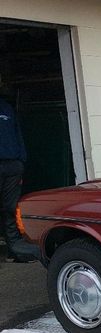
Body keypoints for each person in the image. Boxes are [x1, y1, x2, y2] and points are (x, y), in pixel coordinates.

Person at [0, 71, 31, 262]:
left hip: (12, 166)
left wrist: (21, 160)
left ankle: (16, 250)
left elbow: (18, 135)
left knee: (10, 208)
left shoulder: (7, 109)